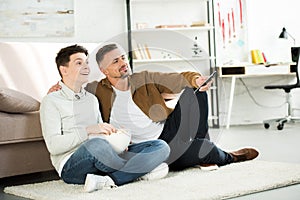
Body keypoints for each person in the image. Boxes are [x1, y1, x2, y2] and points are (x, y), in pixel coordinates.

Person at [49, 43, 259, 171]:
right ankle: (228, 157)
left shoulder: (144, 78)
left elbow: (178, 79)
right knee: (203, 151)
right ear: (104, 70)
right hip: (150, 149)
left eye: (123, 57)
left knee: (194, 92)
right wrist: (57, 86)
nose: (123, 63)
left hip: (168, 131)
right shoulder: (96, 90)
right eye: (115, 61)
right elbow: (72, 87)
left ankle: (203, 146)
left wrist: (196, 79)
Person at [40, 44, 170, 193]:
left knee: (160, 146)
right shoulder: (51, 101)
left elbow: (102, 131)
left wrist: (119, 140)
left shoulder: (91, 99)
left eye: (87, 62)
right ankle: (142, 170)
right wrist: (88, 131)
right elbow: (54, 146)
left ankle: (109, 180)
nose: (86, 67)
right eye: (79, 63)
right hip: (72, 164)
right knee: (96, 145)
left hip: (104, 155)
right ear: (64, 70)